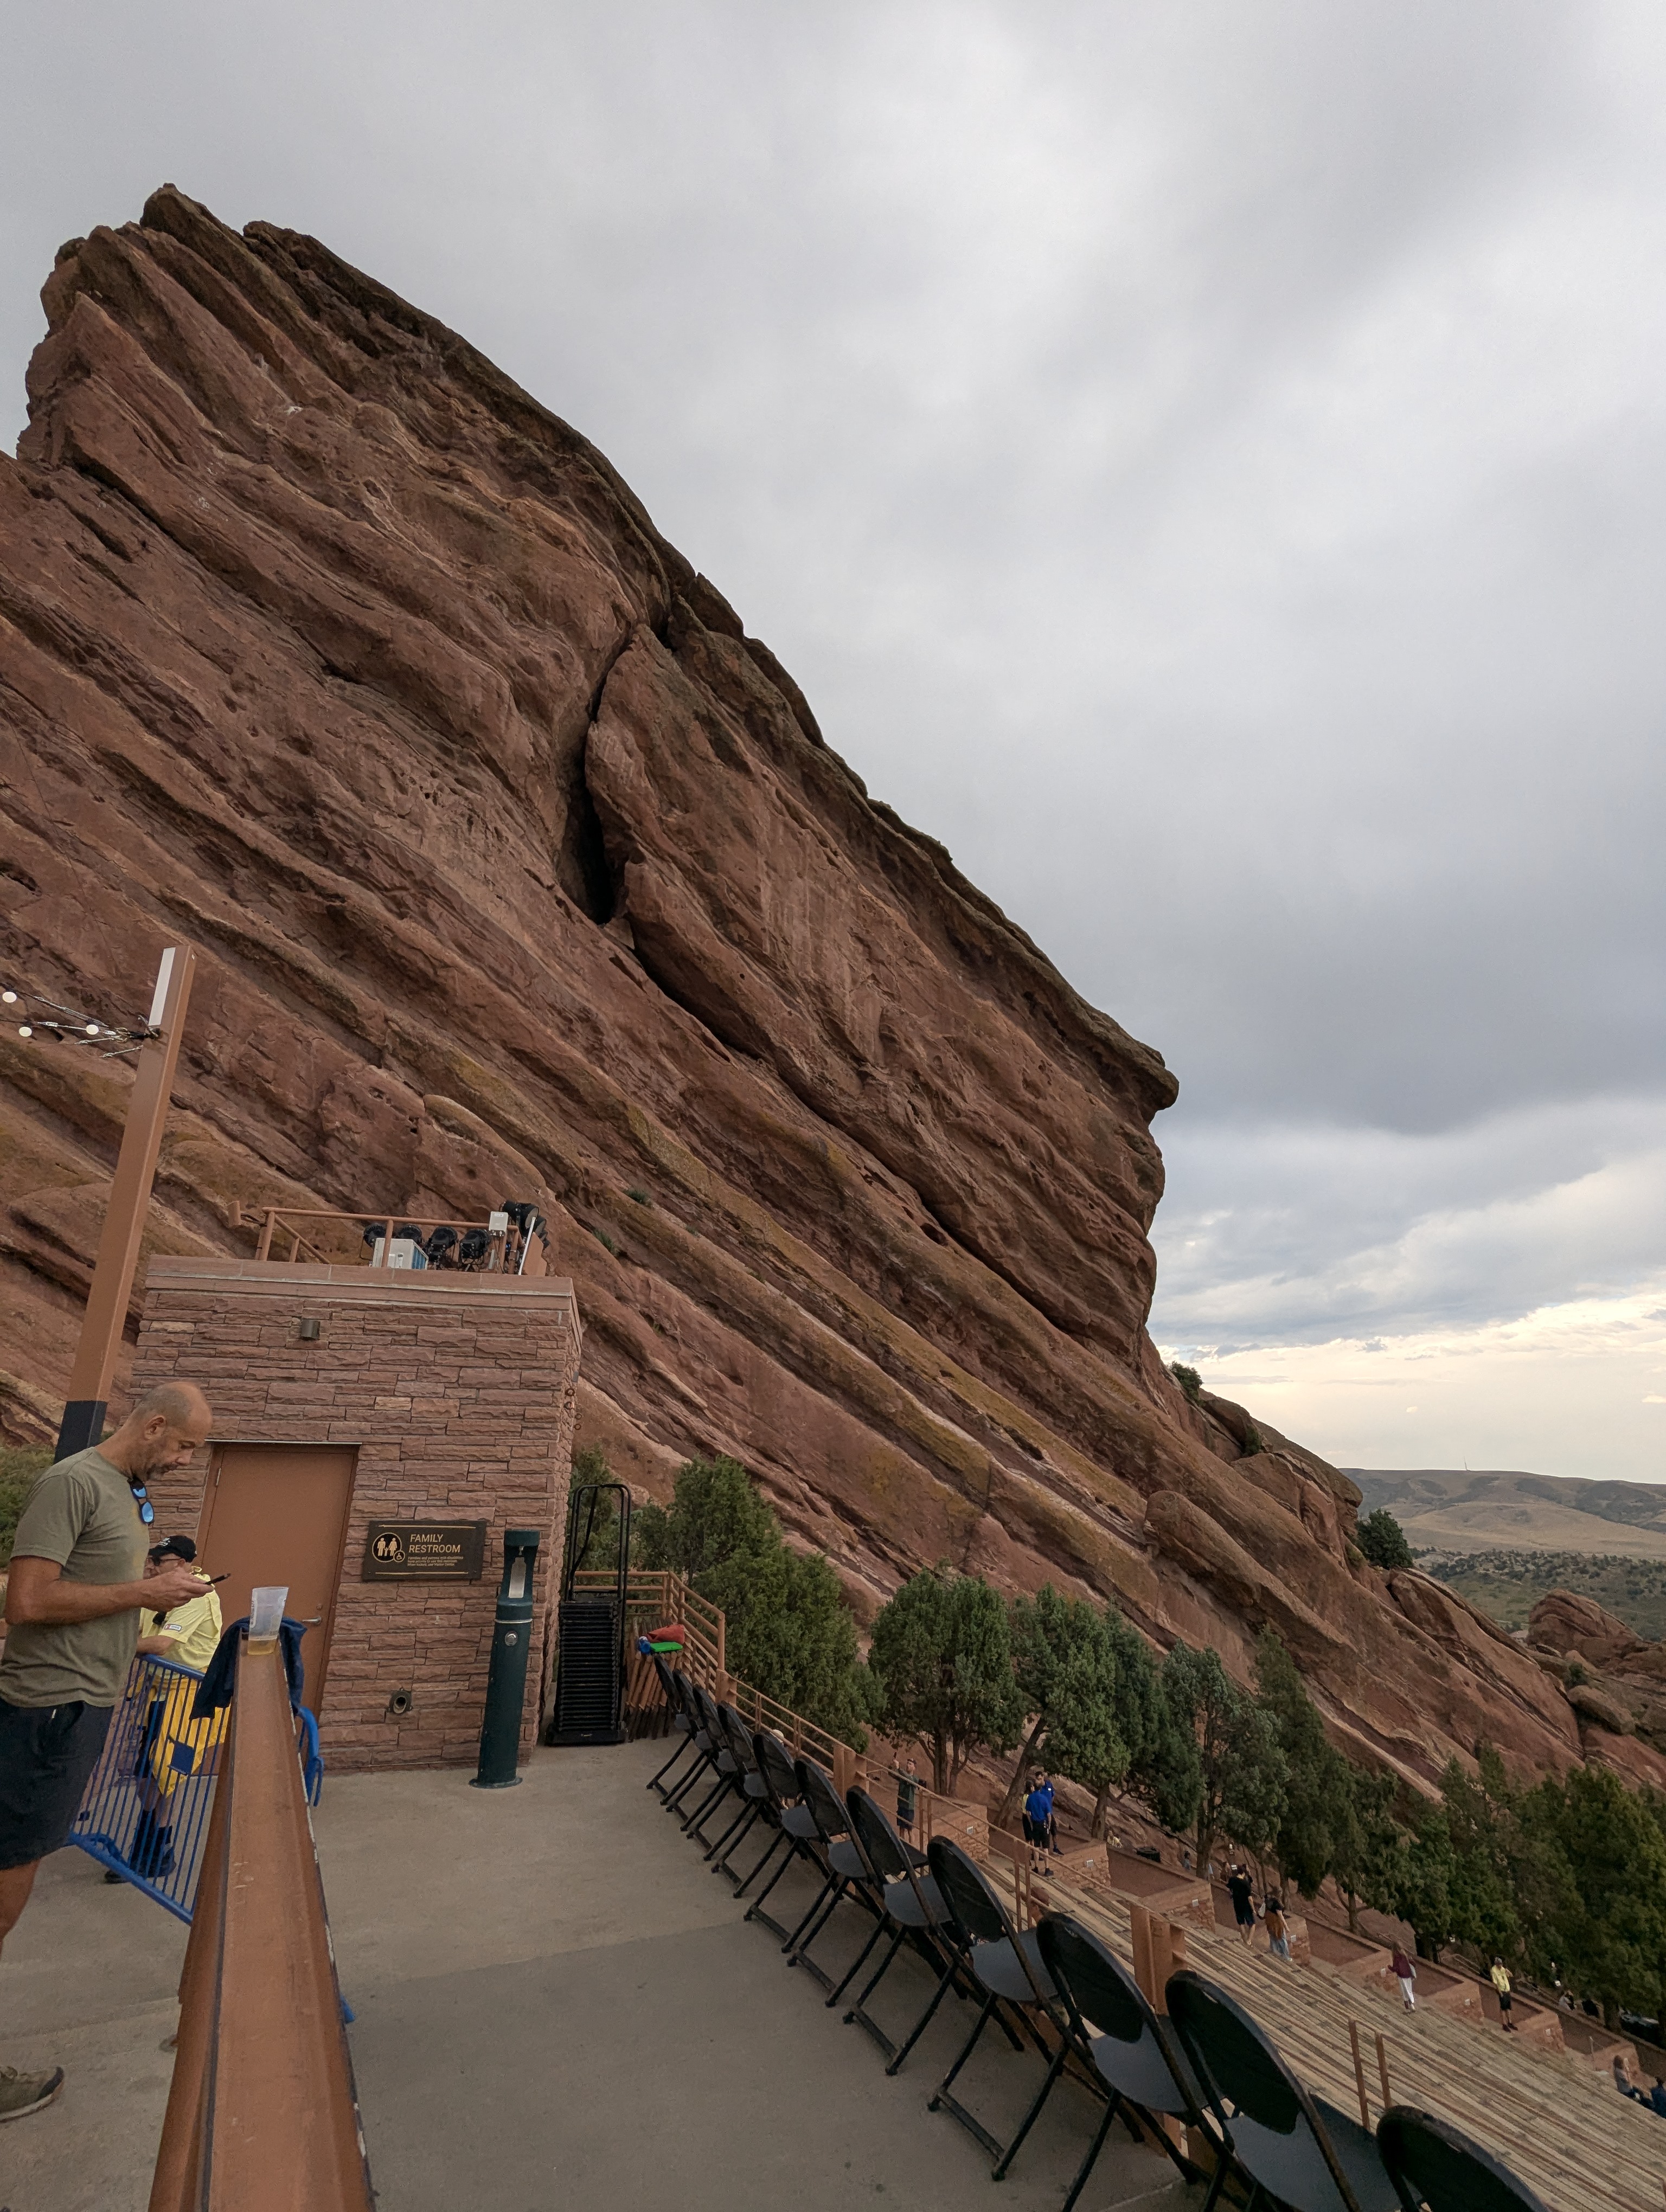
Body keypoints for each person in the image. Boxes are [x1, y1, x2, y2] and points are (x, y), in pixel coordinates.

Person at [0, 1382, 212, 2124]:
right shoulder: (76, 1483)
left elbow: (101, 1588)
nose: (187, 1461)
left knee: (16, 1873)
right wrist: (137, 1595)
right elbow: (27, 1601)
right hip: (48, 1708)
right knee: (7, 1885)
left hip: (81, 1703)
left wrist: (153, 1592)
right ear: (154, 1426)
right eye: (184, 1446)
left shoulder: (125, 1495)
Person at [103, 1537, 224, 1884]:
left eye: (161, 1559)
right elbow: (135, 1632)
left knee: (164, 1773)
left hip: (193, 1702)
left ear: (184, 1564)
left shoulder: (196, 1593)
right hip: (159, 1694)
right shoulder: (155, 1593)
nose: (152, 1565)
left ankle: (151, 1854)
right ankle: (156, 1850)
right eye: (150, 1558)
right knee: (149, 1778)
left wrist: (105, 1648)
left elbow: (159, 1644)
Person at [1023, 1772, 1055, 1874]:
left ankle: (1036, 1867)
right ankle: (1047, 1869)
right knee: (1045, 1848)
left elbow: (1027, 1812)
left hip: (1035, 1824)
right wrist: (1049, 1826)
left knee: (1036, 1847)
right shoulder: (1044, 1799)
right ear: (1040, 1789)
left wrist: (1031, 1823)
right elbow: (1049, 1815)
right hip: (1044, 1823)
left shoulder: (1030, 1798)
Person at [1227, 1862, 1257, 1946]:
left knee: (1241, 1923)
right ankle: (1249, 1941)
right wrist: (1253, 1909)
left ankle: (1245, 1941)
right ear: (1243, 1873)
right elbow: (1250, 1898)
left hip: (1237, 1904)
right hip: (1246, 1905)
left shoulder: (1232, 1880)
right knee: (1252, 1924)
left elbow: (1230, 1889)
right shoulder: (1245, 1883)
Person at [1490, 1957, 1517, 2031]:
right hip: (1502, 1990)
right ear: (1497, 1964)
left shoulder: (1503, 1969)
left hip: (1507, 1990)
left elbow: (1511, 1976)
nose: (1500, 1966)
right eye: (1499, 1964)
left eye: (1501, 1964)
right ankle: (1504, 2024)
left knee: (1508, 2007)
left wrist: (1508, 1971)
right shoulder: (1494, 1970)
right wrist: (1500, 1993)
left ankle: (1510, 2022)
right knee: (1503, 2008)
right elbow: (1496, 1983)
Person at [896, 1759, 919, 1847]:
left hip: (909, 1808)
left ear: (914, 1767)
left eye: (910, 1764)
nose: (908, 1765)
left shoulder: (915, 1779)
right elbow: (891, 1774)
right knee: (901, 1829)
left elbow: (909, 1779)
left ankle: (912, 1848)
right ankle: (903, 1847)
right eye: (908, 1763)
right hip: (901, 1805)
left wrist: (899, 1768)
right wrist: (892, 1766)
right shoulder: (903, 1776)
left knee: (910, 1830)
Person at [1391, 1942, 1417, 2011]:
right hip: (1408, 1975)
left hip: (1402, 1976)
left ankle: (1407, 2006)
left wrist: (1390, 1968)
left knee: (1404, 1990)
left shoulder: (1396, 1957)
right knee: (1409, 1990)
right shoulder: (1404, 1955)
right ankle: (1412, 2005)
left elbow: (1396, 1968)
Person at [1264, 1894, 1291, 1961]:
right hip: (1276, 1923)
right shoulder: (1278, 1905)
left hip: (1269, 1921)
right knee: (1282, 1938)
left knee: (1273, 1937)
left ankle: (1275, 1952)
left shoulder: (1268, 1901)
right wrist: (1286, 1927)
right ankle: (1286, 1956)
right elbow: (1281, 1917)